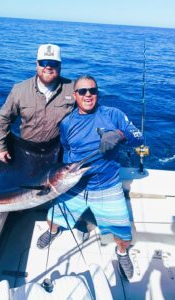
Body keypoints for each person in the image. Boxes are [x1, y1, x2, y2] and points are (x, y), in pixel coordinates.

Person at [36, 75, 143, 280]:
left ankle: (121, 253)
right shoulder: (67, 123)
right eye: (82, 91)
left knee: (123, 234)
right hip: (75, 184)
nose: (88, 95)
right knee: (53, 218)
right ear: (74, 95)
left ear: (97, 93)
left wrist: (119, 135)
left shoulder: (113, 114)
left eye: (92, 91)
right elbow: (66, 151)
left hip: (107, 186)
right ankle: (54, 231)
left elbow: (139, 136)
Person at [0, 44, 75, 173]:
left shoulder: (73, 88)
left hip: (59, 150)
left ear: (60, 66)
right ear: (36, 64)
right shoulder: (19, 89)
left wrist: (109, 132)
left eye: (53, 63)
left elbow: (92, 113)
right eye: (44, 62)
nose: (48, 66)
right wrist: (1, 147)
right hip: (27, 152)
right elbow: (4, 119)